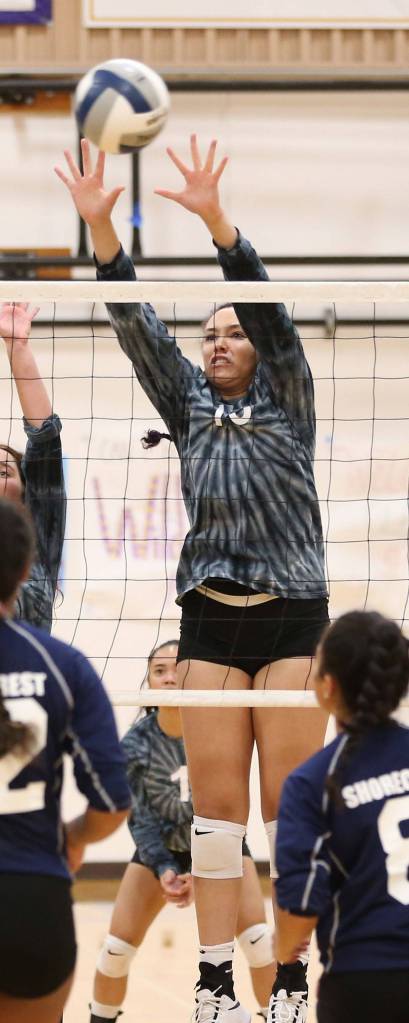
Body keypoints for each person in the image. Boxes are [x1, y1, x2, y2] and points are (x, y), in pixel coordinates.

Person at [55, 134, 329, 1023]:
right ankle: (215, 981)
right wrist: (102, 232)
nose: (216, 342)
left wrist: (217, 222)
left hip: (293, 617)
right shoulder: (188, 406)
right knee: (215, 815)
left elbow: (275, 317)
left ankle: (287, 982)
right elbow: (136, 327)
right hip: (210, 618)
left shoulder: (287, 393)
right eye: (207, 334)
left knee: (287, 815)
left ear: (256, 347)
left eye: (229, 332)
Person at [89, 639, 275, 1023]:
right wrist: (164, 869)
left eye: (178, 668)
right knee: (114, 951)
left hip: (222, 847)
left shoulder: (223, 732)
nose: (170, 678)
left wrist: (206, 866)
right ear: (148, 683)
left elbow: (232, 808)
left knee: (260, 943)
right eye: (160, 671)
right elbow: (140, 819)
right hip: (160, 852)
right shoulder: (135, 744)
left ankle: (272, 1014)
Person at [0, 497, 131, 1023]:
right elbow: (112, 804)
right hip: (33, 898)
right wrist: (73, 838)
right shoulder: (63, 666)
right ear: (27, 570)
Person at [274, 610, 409, 1023]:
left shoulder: (311, 782)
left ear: (328, 687)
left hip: (363, 983)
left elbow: (300, 908)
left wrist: (284, 950)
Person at [0, 301, 66, 631]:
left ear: (26, 489)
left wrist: (16, 345)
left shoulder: (37, 538)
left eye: (3, 471)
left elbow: (45, 440)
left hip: (27, 677)